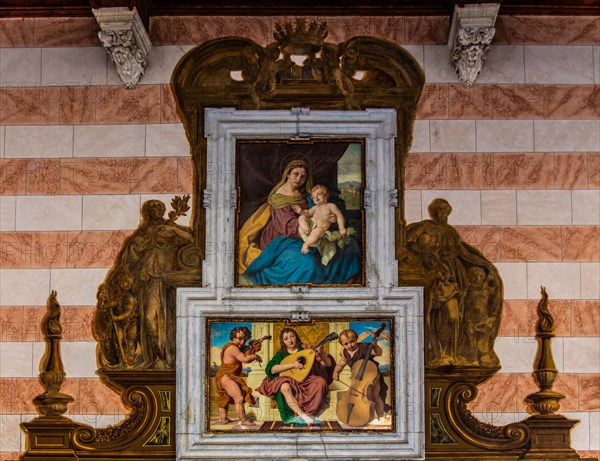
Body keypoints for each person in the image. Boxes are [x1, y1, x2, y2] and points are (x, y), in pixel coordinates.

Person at [238, 160, 360, 285]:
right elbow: (287, 226)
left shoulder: (306, 194)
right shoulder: (278, 198)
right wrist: (311, 229)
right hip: (285, 237)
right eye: (295, 174)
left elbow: (317, 212)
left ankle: (346, 284)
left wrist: (330, 220)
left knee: (349, 245)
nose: (299, 179)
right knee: (308, 263)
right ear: (287, 174)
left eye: (303, 176)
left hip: (312, 231)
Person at [257, 328, 335, 426]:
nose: (290, 340)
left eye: (292, 336)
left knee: (321, 382)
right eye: (286, 339)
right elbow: (272, 369)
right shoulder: (281, 353)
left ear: (296, 337)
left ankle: (309, 412)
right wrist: (293, 365)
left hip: (306, 379)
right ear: (283, 342)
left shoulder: (307, 348)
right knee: (284, 386)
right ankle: (303, 415)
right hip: (288, 379)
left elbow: (328, 364)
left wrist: (320, 353)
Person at [332, 329, 389, 424]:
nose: (350, 345)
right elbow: (340, 364)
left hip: (371, 377)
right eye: (346, 344)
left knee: (375, 396)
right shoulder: (345, 353)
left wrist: (375, 346)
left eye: (352, 341)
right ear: (342, 345)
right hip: (357, 381)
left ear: (356, 339)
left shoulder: (364, 347)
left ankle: (381, 417)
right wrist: (336, 372)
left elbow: (378, 353)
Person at [213, 326, 262, 426]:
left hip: (224, 376)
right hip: (226, 376)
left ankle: (224, 419)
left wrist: (254, 345)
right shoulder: (232, 348)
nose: (242, 342)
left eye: (245, 339)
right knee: (238, 397)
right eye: (240, 339)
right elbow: (244, 358)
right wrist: (255, 356)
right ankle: (244, 420)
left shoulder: (236, 347)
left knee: (225, 398)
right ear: (233, 337)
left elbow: (247, 349)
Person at [292, 184, 347, 261]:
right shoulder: (314, 208)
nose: (316, 198)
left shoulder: (331, 206)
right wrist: (300, 211)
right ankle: (306, 229)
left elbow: (339, 215)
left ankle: (305, 245)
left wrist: (342, 228)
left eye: (319, 195)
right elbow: (307, 213)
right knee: (302, 217)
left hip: (321, 230)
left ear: (326, 196)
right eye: (314, 197)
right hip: (310, 228)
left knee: (317, 231)